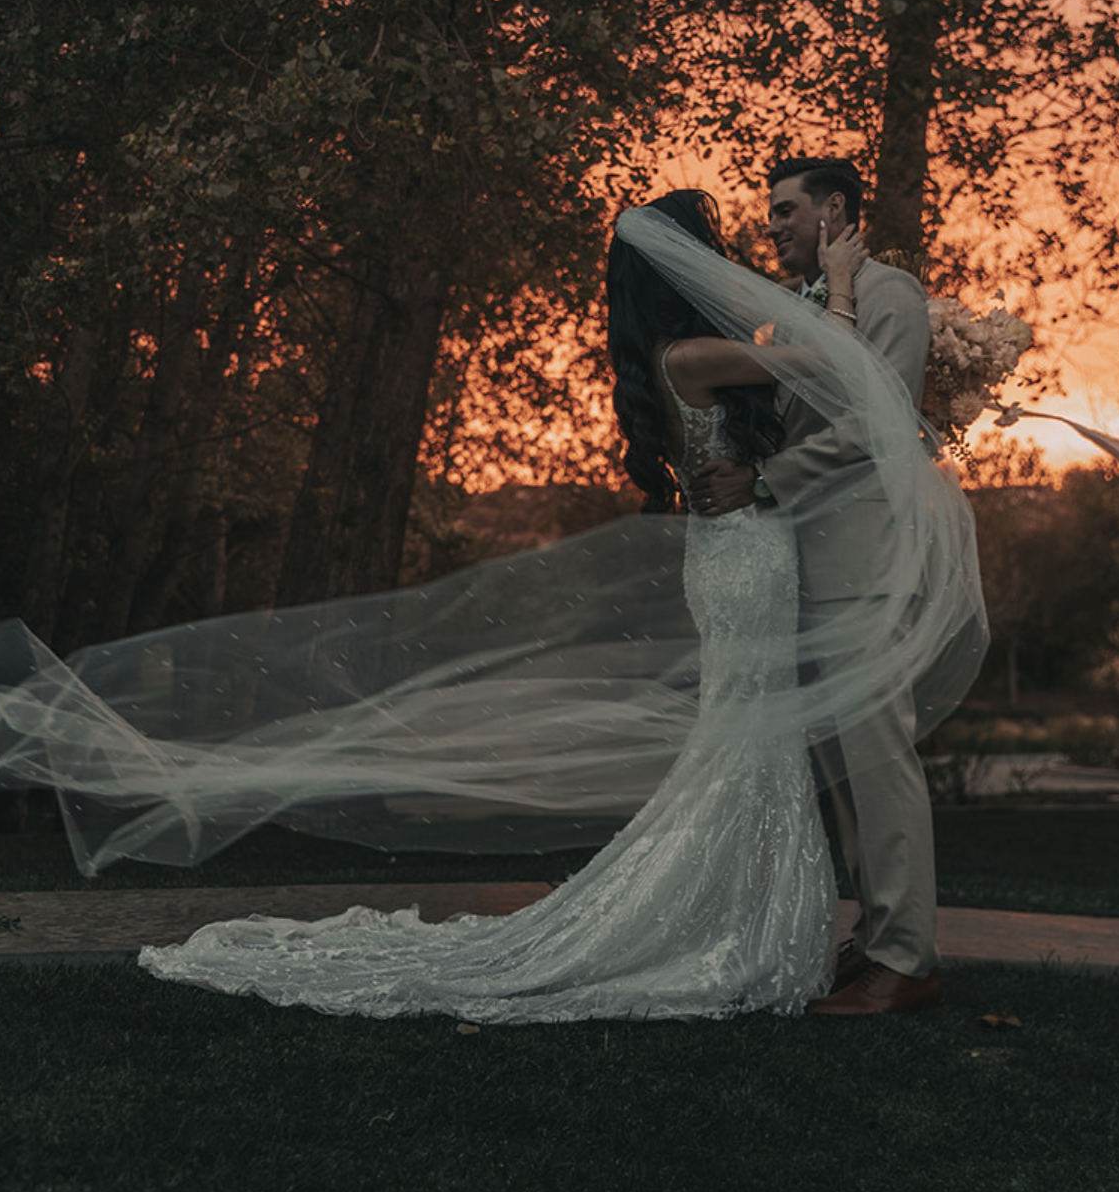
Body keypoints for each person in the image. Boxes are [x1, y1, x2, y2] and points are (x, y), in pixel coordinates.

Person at [131, 190, 911, 1022]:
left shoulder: (679, 352)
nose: (726, 260)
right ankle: (726, 925)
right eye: (710, 248)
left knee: (750, 738)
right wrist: (838, 280)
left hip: (732, 556)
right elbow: (835, 364)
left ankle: (737, 918)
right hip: (746, 560)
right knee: (750, 740)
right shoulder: (689, 355)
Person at [691, 157, 943, 1017]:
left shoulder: (891, 294)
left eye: (786, 209)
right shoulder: (798, 307)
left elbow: (880, 421)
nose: (773, 225)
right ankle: (872, 943)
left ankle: (906, 957)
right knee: (839, 772)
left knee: (879, 763)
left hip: (867, 561)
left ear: (835, 209)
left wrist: (764, 482)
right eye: (769, 213)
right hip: (804, 559)